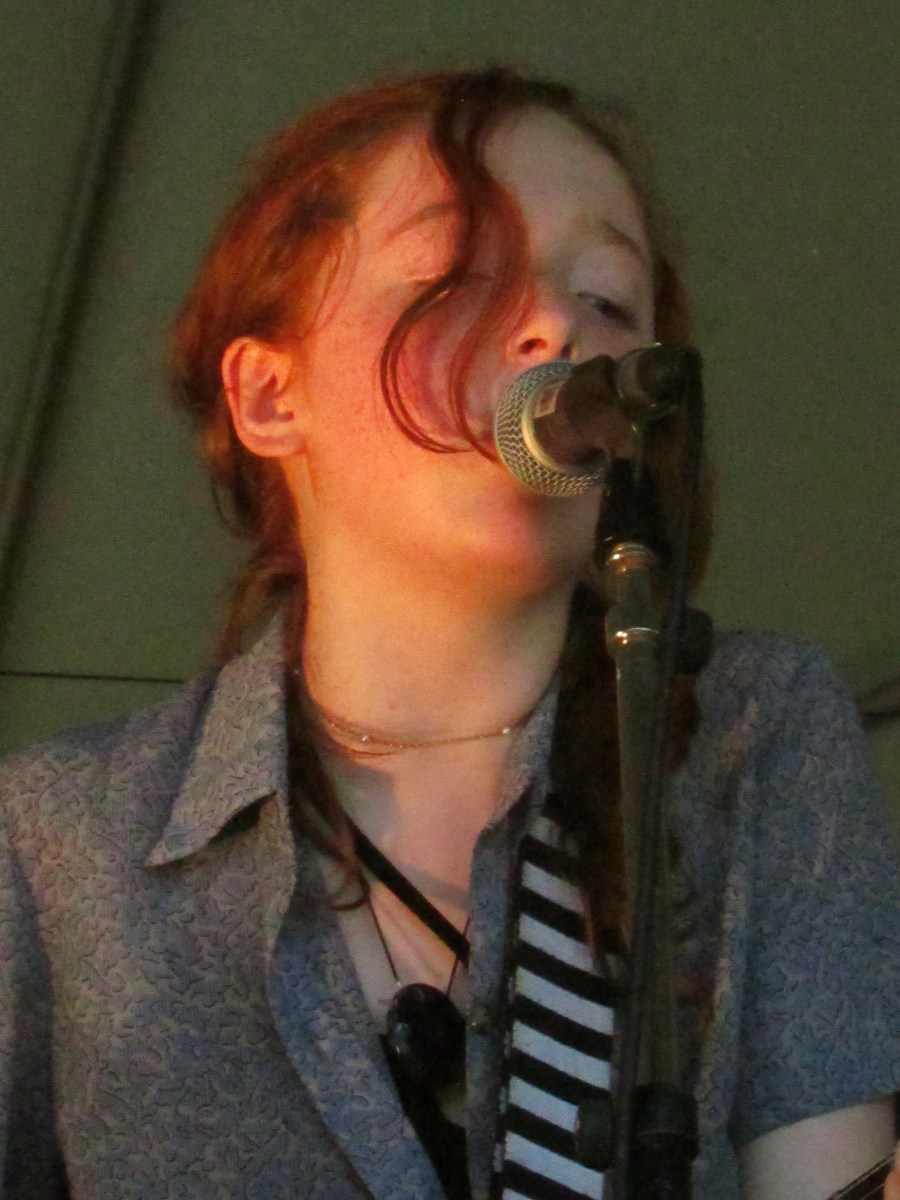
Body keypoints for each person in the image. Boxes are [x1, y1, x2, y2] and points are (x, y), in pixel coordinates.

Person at [0, 67, 897, 1200]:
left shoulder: (748, 737)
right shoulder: (60, 840)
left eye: (609, 301)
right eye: (460, 276)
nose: (557, 327)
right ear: (270, 396)